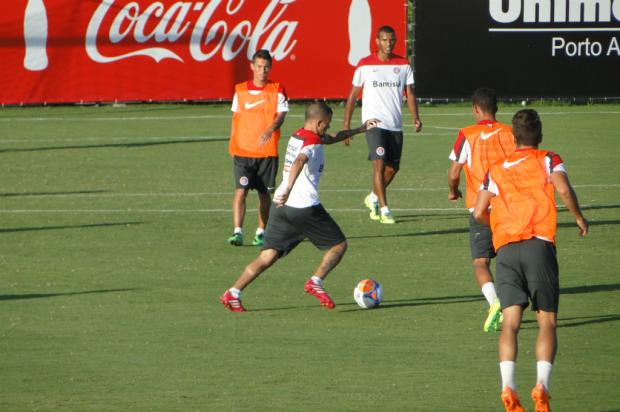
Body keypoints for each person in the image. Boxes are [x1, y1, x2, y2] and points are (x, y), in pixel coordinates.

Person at [473, 109, 588, 412]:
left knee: (510, 323)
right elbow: (562, 187)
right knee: (546, 321)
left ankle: (507, 386)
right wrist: (578, 216)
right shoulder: (548, 158)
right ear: (540, 135)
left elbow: (477, 212)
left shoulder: (496, 168)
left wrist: (497, 226)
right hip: (538, 244)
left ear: (514, 137)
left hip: (507, 250)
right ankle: (542, 386)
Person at [220, 102, 379, 312]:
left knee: (267, 256)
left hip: (281, 207)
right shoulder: (311, 144)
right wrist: (287, 187)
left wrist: (360, 129)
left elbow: (330, 138)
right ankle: (316, 281)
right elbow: (299, 161)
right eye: (326, 124)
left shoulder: (299, 134)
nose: (326, 128)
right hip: (304, 207)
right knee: (338, 246)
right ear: (319, 122)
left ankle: (233, 292)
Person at [447, 87, 516, 332]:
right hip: (509, 207)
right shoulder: (511, 133)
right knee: (510, 259)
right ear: (496, 109)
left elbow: (454, 172)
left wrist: (453, 191)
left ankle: (495, 303)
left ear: (476, 109)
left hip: (481, 208)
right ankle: (516, 303)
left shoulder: (467, 133)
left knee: (480, 262)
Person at [343, 25, 422, 225]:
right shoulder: (365, 64)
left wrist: (415, 117)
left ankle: (373, 197)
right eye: (385, 40)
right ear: (377, 41)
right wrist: (346, 125)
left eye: (392, 40)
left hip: (395, 123)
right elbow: (353, 96)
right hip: (373, 123)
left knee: (393, 168)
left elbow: (410, 93)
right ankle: (385, 209)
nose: (389, 43)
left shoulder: (403, 64)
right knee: (378, 165)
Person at [227, 49, 288, 247]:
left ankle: (261, 232)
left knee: (264, 195)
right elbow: (235, 119)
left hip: (267, 152)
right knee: (240, 191)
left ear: (270, 68)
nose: (263, 70)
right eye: (259, 66)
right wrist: (234, 143)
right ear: (252, 66)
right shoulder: (240, 90)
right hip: (243, 151)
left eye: (266, 67)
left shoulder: (277, 90)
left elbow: (281, 115)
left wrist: (270, 129)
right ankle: (237, 232)